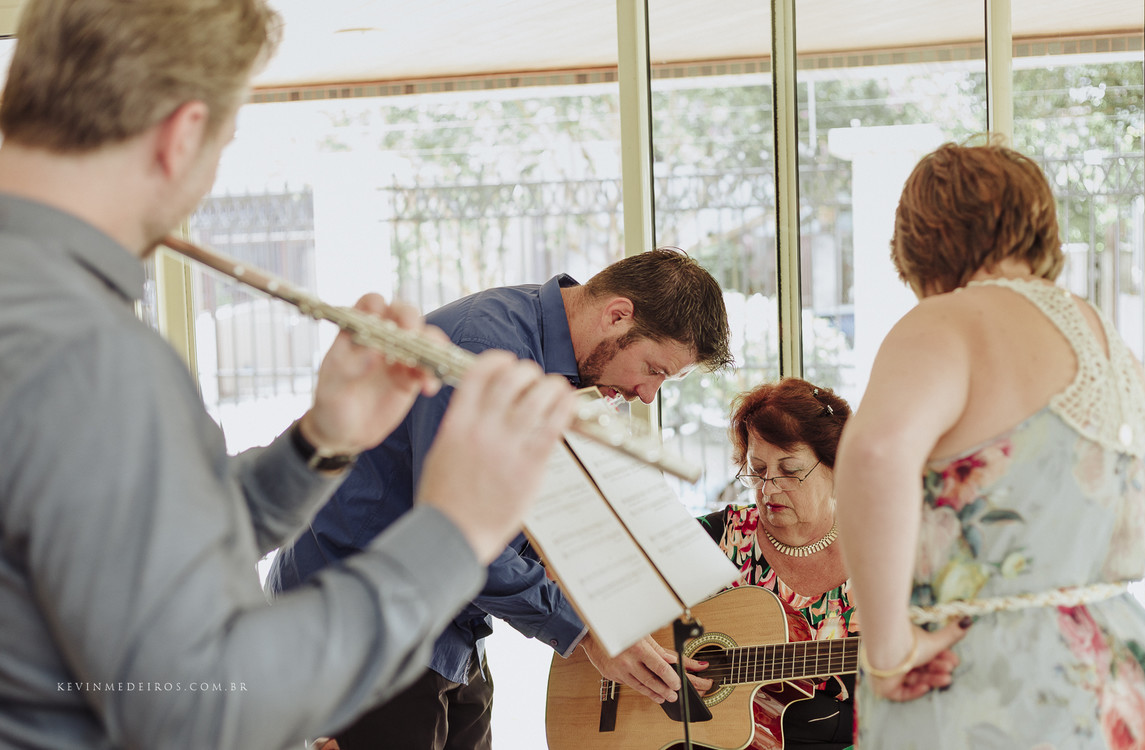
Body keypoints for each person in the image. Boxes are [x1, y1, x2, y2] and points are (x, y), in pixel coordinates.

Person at [0, 1, 581, 749]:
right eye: (224, 145)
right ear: (182, 137)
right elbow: (200, 705)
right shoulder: (91, 352)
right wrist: (455, 530)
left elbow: (128, 546)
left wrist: (320, 444)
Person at [268, 247, 734, 750]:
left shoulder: (573, 371)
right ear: (617, 315)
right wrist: (584, 633)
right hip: (360, 620)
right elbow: (455, 528)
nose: (647, 394)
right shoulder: (484, 348)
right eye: (656, 370)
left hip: (447, 621)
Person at [836, 141, 1145, 748]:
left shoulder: (951, 319)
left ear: (919, 239)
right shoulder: (1107, 338)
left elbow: (875, 454)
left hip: (999, 691)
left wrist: (888, 647)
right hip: (1129, 678)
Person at [696, 378, 857, 750]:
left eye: (789, 469)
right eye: (757, 469)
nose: (768, 488)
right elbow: (605, 582)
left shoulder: (882, 557)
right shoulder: (719, 537)